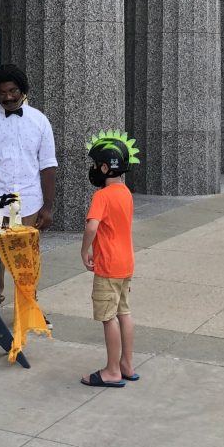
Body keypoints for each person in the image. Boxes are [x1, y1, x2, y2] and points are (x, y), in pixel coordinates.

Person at [0, 64, 57, 320]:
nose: (7, 97)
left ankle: (28, 309)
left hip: (29, 202)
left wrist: (47, 207)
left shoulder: (40, 121)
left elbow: (48, 165)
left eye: (12, 91)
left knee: (27, 259)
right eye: (1, 93)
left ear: (23, 90)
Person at [79, 130, 141, 388]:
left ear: (105, 167)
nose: (94, 170)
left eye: (95, 165)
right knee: (123, 312)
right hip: (126, 264)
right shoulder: (125, 192)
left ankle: (112, 370)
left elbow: (92, 225)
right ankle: (127, 364)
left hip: (108, 266)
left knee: (108, 317)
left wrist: (85, 250)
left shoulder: (101, 196)